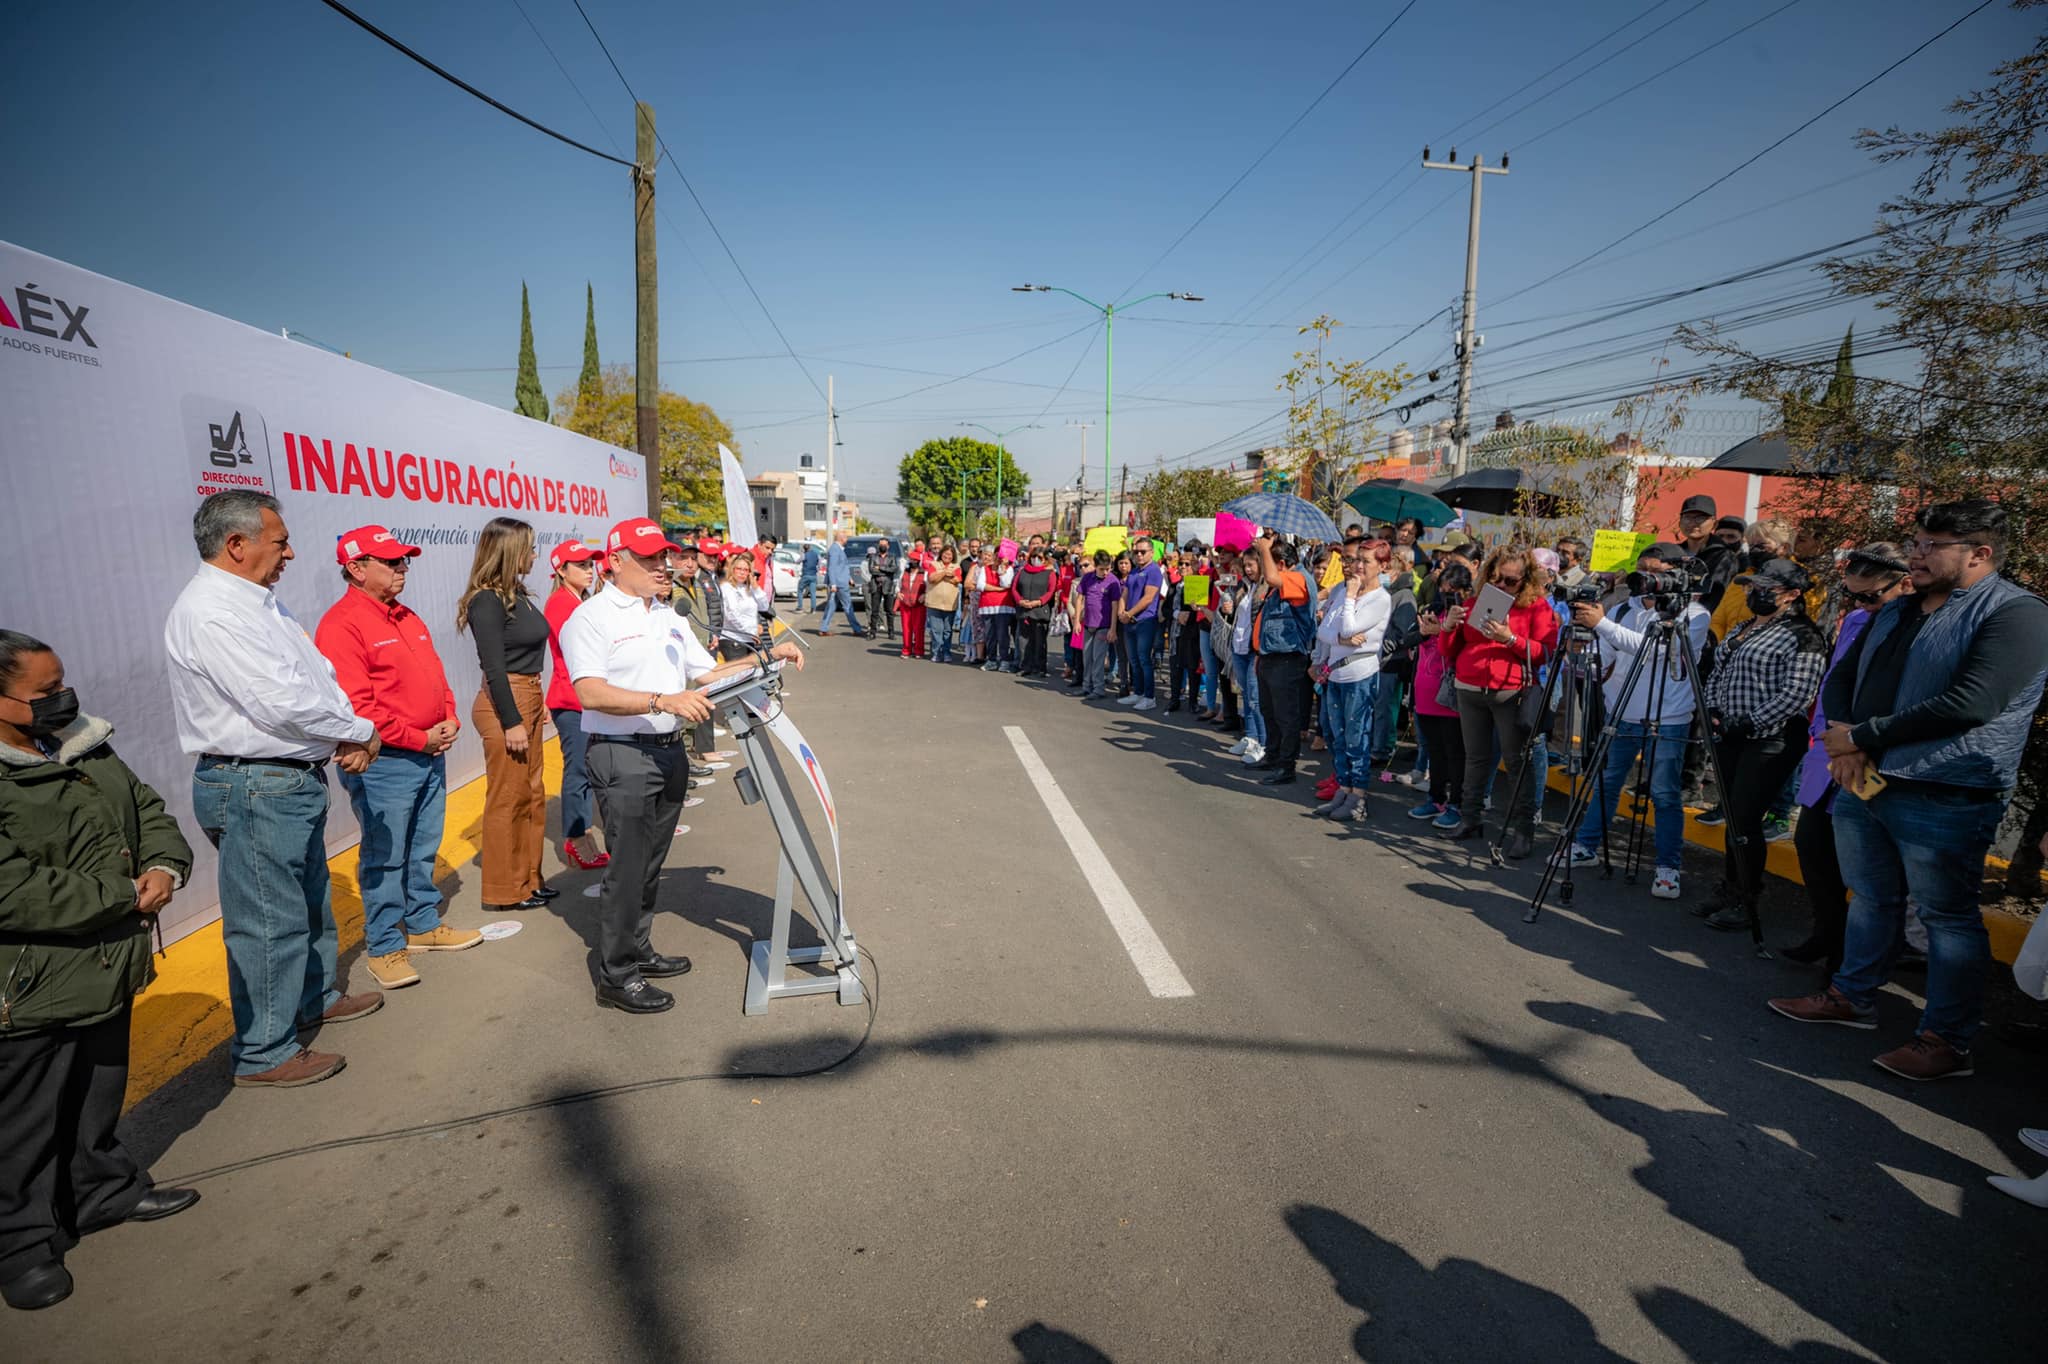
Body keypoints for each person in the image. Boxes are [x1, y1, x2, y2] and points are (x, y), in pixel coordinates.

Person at [1771, 500, 2048, 1080]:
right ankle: (1853, 997)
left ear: (1980, 553)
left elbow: (1973, 702)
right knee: (1871, 898)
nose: (1917, 554)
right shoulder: (1897, 610)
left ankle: (1945, 1040)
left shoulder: (2016, 614)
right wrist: (1845, 741)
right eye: (1917, 542)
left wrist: (1861, 737)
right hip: (1868, 780)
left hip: (1946, 788)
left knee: (1947, 917)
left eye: (1933, 545)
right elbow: (1846, 674)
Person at [0, 632, 200, 1311]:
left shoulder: (82, 741)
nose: (64, 698)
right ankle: (22, 1244)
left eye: (64, 682)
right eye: (44, 692)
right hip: (29, 984)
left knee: (96, 1091)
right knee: (22, 1121)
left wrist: (164, 866)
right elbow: (12, 889)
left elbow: (144, 809)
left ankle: (101, 1192)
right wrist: (123, 897)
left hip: (107, 962)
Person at [164, 491, 384, 1089]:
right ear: (237, 544)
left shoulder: (257, 604)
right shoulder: (213, 612)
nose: (290, 552)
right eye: (280, 541)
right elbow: (281, 702)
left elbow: (316, 679)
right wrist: (360, 731)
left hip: (282, 780)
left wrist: (345, 733)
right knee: (268, 920)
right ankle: (264, 1051)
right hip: (256, 784)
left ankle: (312, 997)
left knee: (307, 901)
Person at [560, 518, 806, 1015]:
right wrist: (661, 700)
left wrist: (763, 657)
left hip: (669, 751)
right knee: (627, 869)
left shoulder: (667, 614)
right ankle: (617, 974)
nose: (662, 566)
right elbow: (588, 691)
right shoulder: (591, 618)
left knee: (650, 864)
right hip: (622, 752)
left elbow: (707, 672)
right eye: (649, 558)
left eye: (663, 556)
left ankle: (639, 948)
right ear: (615, 562)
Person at [316, 526, 479, 991]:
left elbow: (435, 677)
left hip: (427, 751)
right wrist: (418, 738)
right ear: (356, 568)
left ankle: (423, 924)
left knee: (423, 843)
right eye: (391, 562)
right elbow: (357, 708)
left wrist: (447, 717)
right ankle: (386, 945)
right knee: (386, 855)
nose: (402, 567)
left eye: (403, 560)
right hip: (387, 760)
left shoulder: (405, 616)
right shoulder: (342, 624)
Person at [1783, 544, 1912, 970]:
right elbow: (1834, 684)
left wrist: (1857, 743)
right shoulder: (1856, 621)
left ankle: (1849, 959)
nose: (1860, 604)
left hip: (1871, 761)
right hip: (1828, 753)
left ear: (1904, 584)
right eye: (1852, 595)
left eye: (1869, 596)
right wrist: (1823, 737)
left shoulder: (1913, 628)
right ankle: (1826, 933)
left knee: (1860, 864)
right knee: (1812, 846)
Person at [1563, 544, 1713, 900]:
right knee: (1606, 782)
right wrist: (1587, 645)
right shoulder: (1625, 608)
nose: (1645, 578)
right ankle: (1585, 845)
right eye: (1641, 569)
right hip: (1622, 712)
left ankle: (1667, 866)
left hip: (1668, 718)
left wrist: (1602, 624)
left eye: (1654, 571)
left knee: (1664, 794)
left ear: (1674, 575)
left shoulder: (1694, 615)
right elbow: (1612, 652)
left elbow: (1657, 651)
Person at [1697, 559, 1827, 932]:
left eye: (1766, 589)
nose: (1755, 594)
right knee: (1733, 817)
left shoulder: (1804, 635)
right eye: (1753, 587)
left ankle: (1747, 897)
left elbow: (1798, 692)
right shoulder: (1743, 627)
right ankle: (1730, 887)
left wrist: (1750, 721)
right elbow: (1717, 672)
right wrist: (1713, 711)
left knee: (1745, 817)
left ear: (1791, 595)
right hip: (1730, 735)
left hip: (1771, 739)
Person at [1438, 545, 1558, 858]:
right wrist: (1448, 627)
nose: (1501, 586)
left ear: (1526, 579)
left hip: (1511, 692)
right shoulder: (1475, 601)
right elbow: (1449, 651)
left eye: (1510, 581)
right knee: (1475, 758)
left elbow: (1545, 653)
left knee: (1517, 762)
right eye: (1496, 579)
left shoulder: (1537, 607)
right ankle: (1470, 819)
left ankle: (1523, 831)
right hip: (1470, 688)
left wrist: (1511, 639)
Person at [458, 517, 553, 914]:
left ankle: (529, 880)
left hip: (528, 693)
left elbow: (527, 658)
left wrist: (538, 699)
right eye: (529, 548)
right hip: (505, 702)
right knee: (508, 798)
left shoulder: (519, 594)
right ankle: (504, 889)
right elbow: (495, 668)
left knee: (532, 795)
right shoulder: (486, 600)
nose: (535, 555)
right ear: (510, 551)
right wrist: (512, 720)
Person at [1312, 539, 1392, 820]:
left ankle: (1358, 796)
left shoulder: (1380, 598)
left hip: (1360, 674)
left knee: (1357, 738)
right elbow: (1324, 630)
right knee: (1338, 736)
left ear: (1382, 566)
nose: (1358, 566)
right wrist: (1341, 638)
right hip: (1336, 671)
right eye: (1357, 560)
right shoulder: (1346, 591)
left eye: (1366, 561)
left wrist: (1350, 598)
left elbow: (1349, 626)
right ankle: (1343, 788)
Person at [543, 539, 608, 872]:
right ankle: (575, 838)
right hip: (571, 702)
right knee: (579, 772)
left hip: (582, 700)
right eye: (580, 564)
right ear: (561, 569)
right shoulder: (560, 604)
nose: (588, 569)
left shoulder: (577, 601)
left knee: (587, 770)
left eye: (589, 563)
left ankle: (581, 837)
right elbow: (579, 653)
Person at [1407, 561, 1470, 828]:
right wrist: (1423, 631)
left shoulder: (1466, 616)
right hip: (1425, 691)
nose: (1447, 597)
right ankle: (1436, 798)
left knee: (1454, 752)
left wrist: (1443, 630)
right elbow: (1408, 641)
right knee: (1434, 750)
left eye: (1453, 592)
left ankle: (1456, 803)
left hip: (1451, 696)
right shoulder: (1432, 610)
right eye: (1443, 591)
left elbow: (1458, 650)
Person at [1249, 536, 1317, 783]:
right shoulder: (1280, 585)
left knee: (1285, 714)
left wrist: (1265, 549)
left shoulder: (1298, 578)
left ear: (1282, 563)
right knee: (1269, 711)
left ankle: (1287, 766)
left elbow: (1272, 577)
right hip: (1270, 657)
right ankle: (1273, 755)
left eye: (1268, 561)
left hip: (1287, 658)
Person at [1371, 547, 1419, 780]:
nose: (1383, 573)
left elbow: (1400, 634)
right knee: (1377, 707)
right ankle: (1376, 745)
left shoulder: (1405, 596)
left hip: (1390, 661)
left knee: (1384, 708)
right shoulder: (1387, 592)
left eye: (1388, 569)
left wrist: (1380, 649)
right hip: (1378, 659)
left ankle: (1381, 749)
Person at [1116, 537, 1166, 709]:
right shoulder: (1134, 571)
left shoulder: (1154, 571)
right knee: (1134, 660)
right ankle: (1138, 692)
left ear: (1151, 552)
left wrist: (1129, 613)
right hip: (1129, 621)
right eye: (1136, 551)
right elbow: (1125, 593)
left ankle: (1149, 697)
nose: (1139, 555)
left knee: (1144, 659)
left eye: (1142, 552)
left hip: (1144, 620)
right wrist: (1121, 612)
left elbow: (1148, 598)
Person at [715, 546, 775, 662]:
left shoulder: (748, 588)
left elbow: (764, 607)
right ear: (733, 569)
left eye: (746, 570)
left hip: (749, 639)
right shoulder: (726, 588)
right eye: (739, 569)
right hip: (733, 639)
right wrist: (751, 631)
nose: (742, 573)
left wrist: (756, 587)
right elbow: (732, 614)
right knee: (739, 675)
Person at [1075, 550, 1122, 699]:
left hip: (1104, 626)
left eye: (1108, 568)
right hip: (1088, 624)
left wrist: (1113, 628)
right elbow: (1079, 599)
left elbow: (1115, 606)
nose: (1105, 572)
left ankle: (1098, 688)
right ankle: (1086, 686)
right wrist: (1077, 621)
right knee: (1086, 657)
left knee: (1098, 658)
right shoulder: (1087, 578)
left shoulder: (1113, 581)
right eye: (1102, 569)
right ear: (1095, 566)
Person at [1013, 543, 1056, 677]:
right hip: (1024, 610)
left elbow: (1051, 591)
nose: (1036, 559)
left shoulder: (1050, 573)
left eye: (1039, 557)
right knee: (1023, 640)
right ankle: (1026, 666)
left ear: (1045, 559)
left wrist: (1038, 602)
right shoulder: (1022, 571)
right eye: (1034, 556)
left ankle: (1040, 667)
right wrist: (1020, 600)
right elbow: (1014, 588)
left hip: (1040, 611)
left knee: (1039, 641)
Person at [977, 546, 1018, 674]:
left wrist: (1002, 570)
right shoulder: (985, 568)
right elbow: (980, 585)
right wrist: (998, 589)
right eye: (997, 555)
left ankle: (1005, 660)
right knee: (990, 635)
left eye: (1001, 556)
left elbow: (1006, 584)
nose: (998, 558)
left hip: (1003, 606)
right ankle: (992, 660)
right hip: (987, 606)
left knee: (1002, 635)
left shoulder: (1009, 569)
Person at [817, 530, 864, 637]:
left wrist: (849, 578)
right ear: (841, 538)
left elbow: (841, 567)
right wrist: (833, 584)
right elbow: (832, 568)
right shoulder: (835, 549)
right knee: (848, 606)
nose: (847, 539)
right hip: (839, 584)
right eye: (846, 537)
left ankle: (823, 629)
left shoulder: (838, 549)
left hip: (840, 582)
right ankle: (857, 629)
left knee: (831, 606)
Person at [925, 545, 962, 663]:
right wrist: (945, 573)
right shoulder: (934, 565)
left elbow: (957, 580)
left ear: (953, 556)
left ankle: (946, 652)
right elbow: (932, 578)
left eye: (950, 555)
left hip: (950, 604)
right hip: (934, 603)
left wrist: (942, 576)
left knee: (947, 630)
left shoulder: (956, 566)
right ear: (941, 554)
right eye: (945, 553)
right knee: (936, 630)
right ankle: (936, 652)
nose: (947, 556)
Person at [897, 548, 930, 660]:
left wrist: (925, 595)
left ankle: (919, 650)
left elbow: (929, 587)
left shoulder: (924, 573)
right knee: (906, 628)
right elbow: (897, 585)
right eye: (911, 560)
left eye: (915, 560)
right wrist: (898, 593)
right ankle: (906, 650)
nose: (913, 562)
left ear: (919, 561)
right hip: (905, 604)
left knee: (918, 628)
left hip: (919, 605)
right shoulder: (904, 573)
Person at [866, 537, 900, 640]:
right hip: (876, 585)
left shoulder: (892, 557)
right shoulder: (873, 557)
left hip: (888, 586)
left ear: (888, 546)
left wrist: (880, 568)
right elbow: (872, 570)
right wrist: (885, 570)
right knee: (874, 610)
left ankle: (891, 632)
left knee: (889, 611)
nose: (882, 546)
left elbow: (894, 569)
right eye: (881, 544)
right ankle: (872, 632)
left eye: (884, 545)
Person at [797, 540, 821, 613]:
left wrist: (801, 554)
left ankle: (800, 607)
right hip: (813, 575)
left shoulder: (804, 555)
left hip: (806, 575)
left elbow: (798, 561)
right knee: (813, 593)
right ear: (810, 547)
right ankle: (813, 609)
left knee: (800, 590)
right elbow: (819, 563)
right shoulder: (816, 554)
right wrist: (817, 569)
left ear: (804, 549)